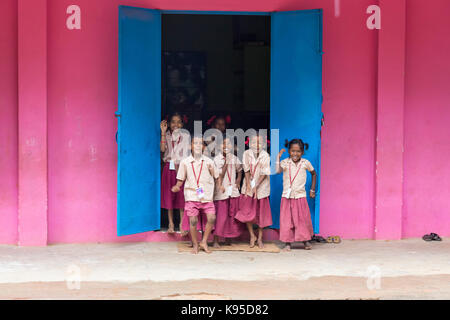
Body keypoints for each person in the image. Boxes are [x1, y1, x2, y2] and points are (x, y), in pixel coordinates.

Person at [172, 135, 217, 254]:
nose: (197, 145)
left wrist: (219, 186)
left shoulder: (209, 162)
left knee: (212, 218)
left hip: (206, 195)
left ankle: (204, 241)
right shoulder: (185, 162)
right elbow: (181, 179)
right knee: (193, 220)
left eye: (200, 143)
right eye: (195, 143)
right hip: (192, 195)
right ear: (189, 146)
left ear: (203, 147)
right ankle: (195, 244)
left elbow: (216, 177)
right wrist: (177, 186)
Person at [275, 139, 317, 251]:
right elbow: (278, 171)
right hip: (287, 196)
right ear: (289, 151)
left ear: (302, 152)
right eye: (293, 151)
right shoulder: (284, 162)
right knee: (287, 220)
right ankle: (287, 243)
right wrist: (278, 158)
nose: (295, 154)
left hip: (300, 196)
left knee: (302, 219)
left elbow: (314, 174)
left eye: (298, 151)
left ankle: (305, 240)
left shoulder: (305, 163)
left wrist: (312, 189)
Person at [235, 134, 272, 248]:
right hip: (249, 186)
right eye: (254, 143)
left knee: (261, 214)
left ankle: (260, 238)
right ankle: (252, 235)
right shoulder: (246, 154)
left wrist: (256, 185)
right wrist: (248, 185)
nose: (257, 145)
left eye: (260, 143)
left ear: (264, 144)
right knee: (247, 211)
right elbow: (246, 170)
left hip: (261, 187)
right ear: (249, 143)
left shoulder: (265, 155)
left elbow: (264, 173)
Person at [160, 112, 189, 235]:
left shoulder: (185, 136)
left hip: (181, 168)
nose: (175, 124)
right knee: (168, 195)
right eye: (173, 122)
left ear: (182, 124)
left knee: (181, 195)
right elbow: (162, 150)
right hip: (168, 168)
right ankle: (171, 224)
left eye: (178, 122)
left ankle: (182, 223)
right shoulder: (166, 135)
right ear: (169, 123)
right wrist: (162, 132)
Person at [212, 136, 244, 247]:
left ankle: (228, 238)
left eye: (228, 144)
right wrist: (227, 162)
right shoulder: (216, 159)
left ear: (233, 146)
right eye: (223, 144)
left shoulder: (235, 158)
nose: (226, 146)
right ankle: (216, 239)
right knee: (220, 217)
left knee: (231, 216)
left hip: (232, 191)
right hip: (222, 192)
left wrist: (238, 180)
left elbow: (240, 170)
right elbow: (220, 174)